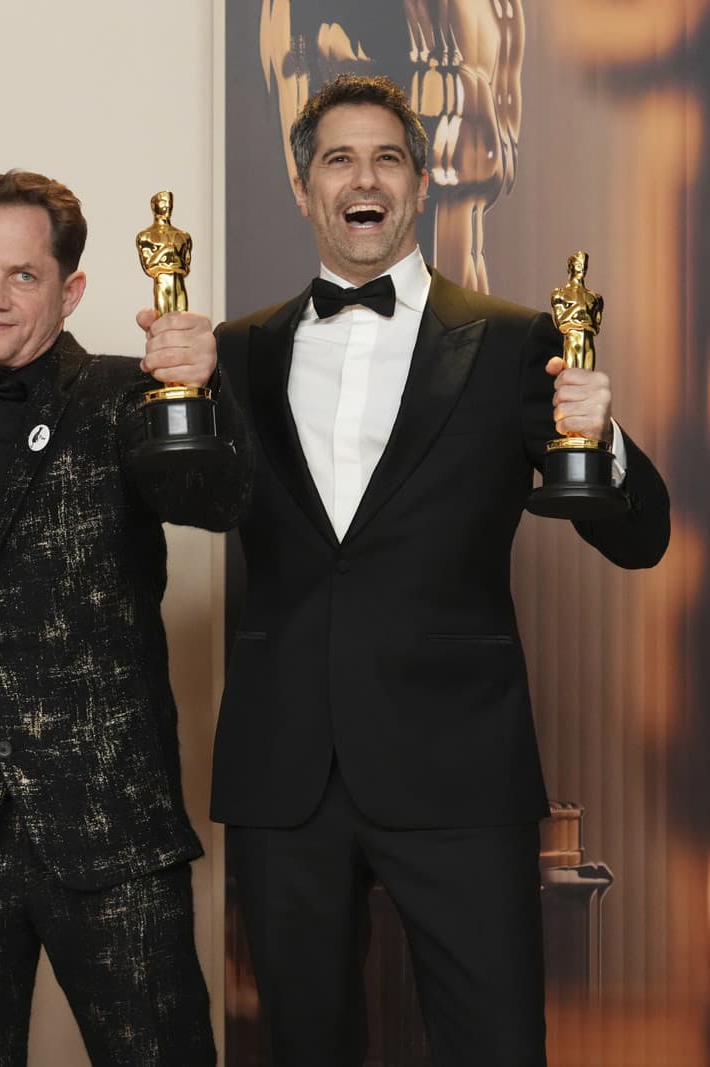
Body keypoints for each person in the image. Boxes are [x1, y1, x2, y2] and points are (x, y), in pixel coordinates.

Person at [211, 74, 669, 1064]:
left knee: (494, 1044)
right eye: (338, 158)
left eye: (387, 157)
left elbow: (639, 538)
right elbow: (157, 480)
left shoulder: (512, 340)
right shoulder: (234, 351)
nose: (363, 178)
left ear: (419, 184)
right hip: (286, 769)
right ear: (302, 186)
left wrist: (604, 438)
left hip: (457, 764)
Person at [0, 170, 249, 1065]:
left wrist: (200, 390)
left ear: (70, 290)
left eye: (23, 275)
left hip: (111, 830)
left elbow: (216, 497)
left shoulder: (130, 397)